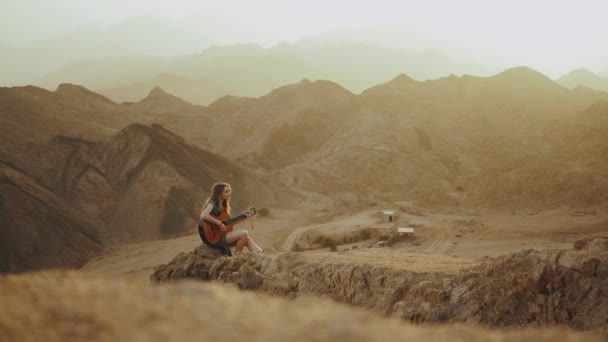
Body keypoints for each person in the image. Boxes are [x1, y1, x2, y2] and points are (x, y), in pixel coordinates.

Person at [198, 182, 263, 256]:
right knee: (244, 232)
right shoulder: (212, 202)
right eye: (226, 191)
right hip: (215, 239)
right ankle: (237, 256)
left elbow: (228, 224)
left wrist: (244, 218)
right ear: (219, 193)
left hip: (221, 235)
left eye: (229, 191)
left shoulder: (224, 205)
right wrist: (219, 223)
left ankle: (262, 253)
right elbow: (204, 215)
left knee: (246, 239)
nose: (229, 193)